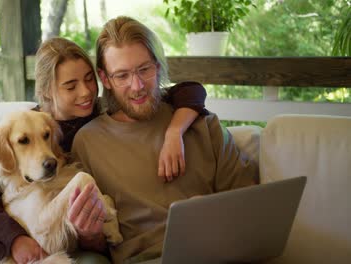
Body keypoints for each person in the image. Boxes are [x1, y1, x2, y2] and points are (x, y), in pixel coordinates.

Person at [0, 36, 208, 264]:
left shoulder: (105, 110)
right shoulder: (29, 129)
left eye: (88, 79)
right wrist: (14, 240)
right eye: (70, 86)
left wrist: (174, 132)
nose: (85, 92)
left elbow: (190, 90)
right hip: (44, 236)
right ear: (46, 92)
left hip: (98, 233)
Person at [71, 16, 259, 264]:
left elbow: (252, 207)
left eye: (144, 70)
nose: (137, 86)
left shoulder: (202, 124)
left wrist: (215, 212)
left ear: (158, 66)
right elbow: (97, 247)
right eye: (122, 76)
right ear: (105, 79)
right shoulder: (88, 143)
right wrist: (89, 235)